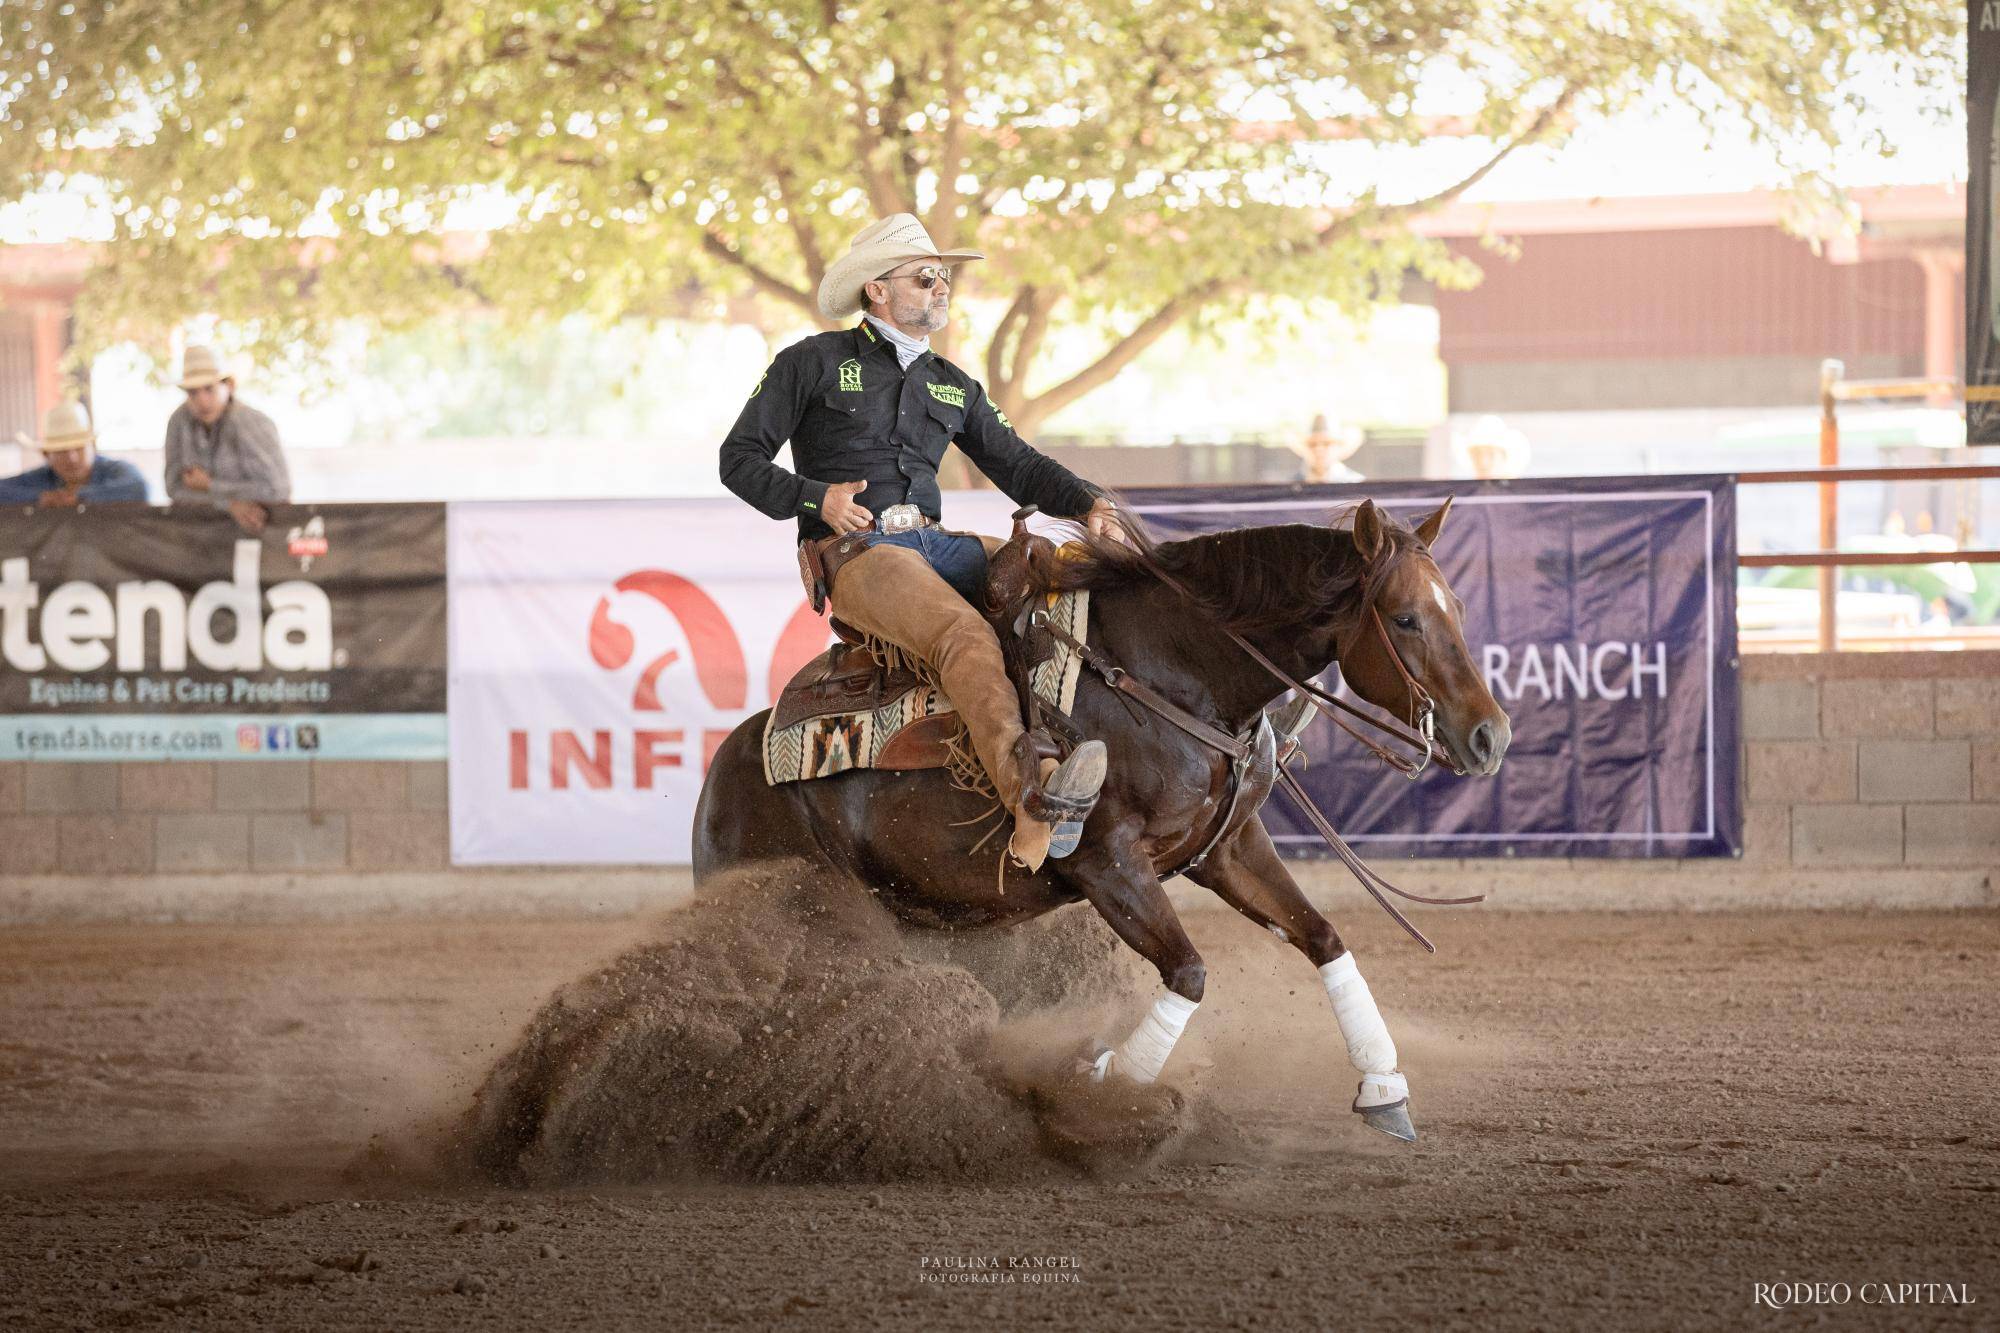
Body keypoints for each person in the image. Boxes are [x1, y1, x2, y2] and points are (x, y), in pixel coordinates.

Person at [719, 213, 1119, 871]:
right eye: (924, 276)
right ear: (877, 290)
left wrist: (1090, 505)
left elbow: (1017, 462)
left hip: (936, 544)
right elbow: (739, 458)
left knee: (1078, 576)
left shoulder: (952, 384)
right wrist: (819, 499)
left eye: (944, 278)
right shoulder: (811, 363)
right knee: (963, 634)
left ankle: (1103, 767)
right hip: (859, 555)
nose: (942, 288)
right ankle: (1031, 801)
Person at [162, 345, 291, 534]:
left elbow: (277, 488)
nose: (202, 400)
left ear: (228, 386)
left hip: (262, 533)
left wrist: (209, 486)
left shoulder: (251, 422)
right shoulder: (179, 421)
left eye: (209, 389)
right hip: (202, 538)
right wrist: (229, 504)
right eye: (193, 392)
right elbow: (174, 488)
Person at [2, 400, 149, 506]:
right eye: (61, 451)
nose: (72, 458)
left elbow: (139, 487)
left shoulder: (115, 470)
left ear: (92, 447)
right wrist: (40, 498)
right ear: (46, 455)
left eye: (79, 448)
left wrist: (79, 498)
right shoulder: (41, 478)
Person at [1288, 413, 1364, 484]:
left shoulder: (1357, 483)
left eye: (1326, 443)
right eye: (1312, 444)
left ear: (1338, 447)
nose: (1319, 450)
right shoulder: (1291, 485)